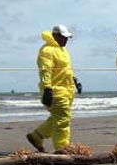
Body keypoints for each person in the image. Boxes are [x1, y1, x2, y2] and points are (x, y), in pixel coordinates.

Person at [26, 24, 82, 153]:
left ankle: (36, 136)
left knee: (58, 118)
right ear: (55, 36)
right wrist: (47, 89)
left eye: (67, 37)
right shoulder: (47, 51)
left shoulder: (63, 50)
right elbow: (45, 71)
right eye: (63, 37)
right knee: (63, 119)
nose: (66, 40)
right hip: (55, 91)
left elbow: (66, 69)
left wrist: (75, 79)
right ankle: (62, 148)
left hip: (67, 90)